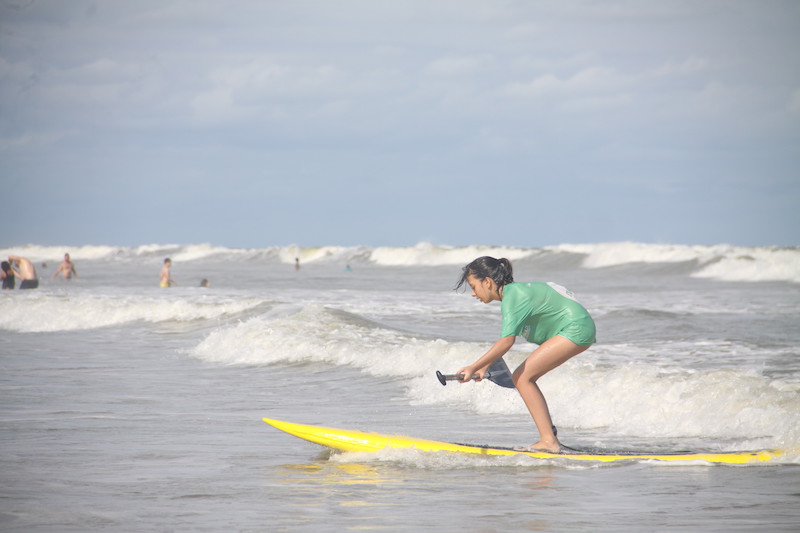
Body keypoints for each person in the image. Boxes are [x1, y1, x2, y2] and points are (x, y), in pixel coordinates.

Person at [454, 256, 596, 452]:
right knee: (524, 377)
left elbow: (506, 342)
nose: (472, 293)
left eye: (473, 286)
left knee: (522, 378)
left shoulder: (513, 297)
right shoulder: (515, 293)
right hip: (579, 327)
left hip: (575, 329)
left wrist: (473, 367)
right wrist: (484, 367)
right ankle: (550, 437)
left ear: (487, 281)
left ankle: (549, 441)